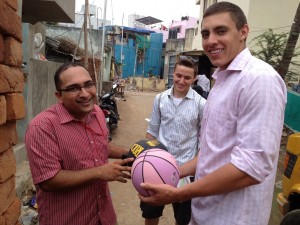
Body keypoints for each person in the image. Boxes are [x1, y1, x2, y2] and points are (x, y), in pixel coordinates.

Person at [139, 2, 286, 225]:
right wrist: (171, 172)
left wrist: (180, 194)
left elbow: (252, 166)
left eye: (221, 31)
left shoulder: (259, 79)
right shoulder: (222, 80)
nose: (210, 41)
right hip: (205, 212)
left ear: (243, 32)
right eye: (206, 33)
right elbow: (211, 153)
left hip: (233, 217)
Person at [25, 62, 133, 225]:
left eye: (88, 85)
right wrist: (99, 172)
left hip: (104, 216)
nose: (85, 94)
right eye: (73, 88)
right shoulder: (42, 127)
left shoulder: (96, 112)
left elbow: (100, 145)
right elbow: (48, 181)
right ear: (59, 95)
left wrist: (131, 153)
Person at [142, 57, 206, 225]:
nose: (181, 81)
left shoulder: (202, 104)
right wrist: (149, 160)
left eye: (187, 77)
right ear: (173, 74)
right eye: (178, 75)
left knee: (183, 219)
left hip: (186, 171)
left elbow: (204, 140)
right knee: (151, 214)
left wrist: (195, 164)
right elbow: (152, 132)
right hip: (158, 168)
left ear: (194, 78)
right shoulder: (160, 99)